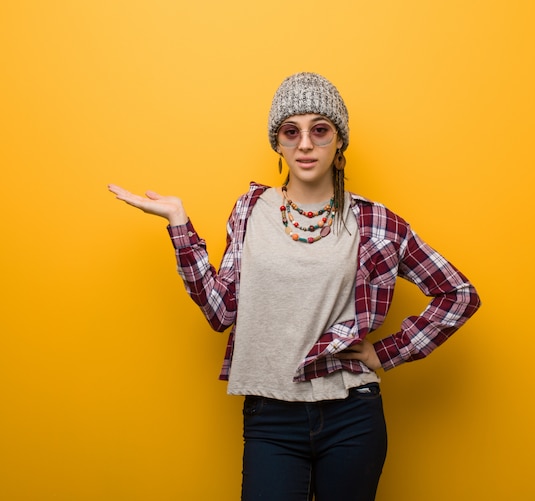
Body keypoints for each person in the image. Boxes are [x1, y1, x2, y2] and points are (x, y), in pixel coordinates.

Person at [108, 72, 480, 501]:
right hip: (270, 416)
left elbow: (458, 295)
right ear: (278, 144)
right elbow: (220, 312)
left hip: (351, 414)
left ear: (339, 142)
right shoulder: (250, 211)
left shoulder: (376, 222)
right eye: (292, 131)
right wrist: (179, 224)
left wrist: (386, 351)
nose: (305, 144)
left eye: (319, 130)